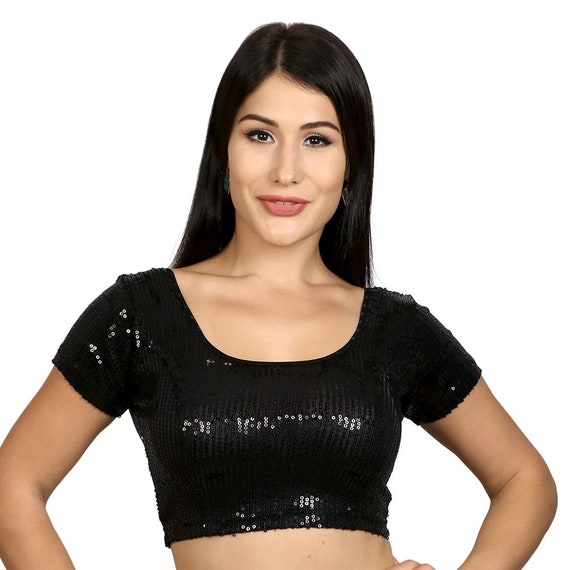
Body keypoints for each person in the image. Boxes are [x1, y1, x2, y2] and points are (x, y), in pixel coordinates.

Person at [0, 21, 557, 570]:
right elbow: (13, 483)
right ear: (224, 152)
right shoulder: (143, 315)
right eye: (260, 135)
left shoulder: (394, 328)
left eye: (317, 140)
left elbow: (525, 480)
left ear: (351, 166)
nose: (286, 171)